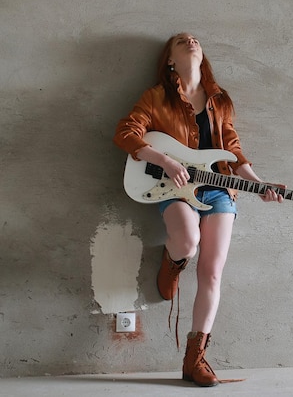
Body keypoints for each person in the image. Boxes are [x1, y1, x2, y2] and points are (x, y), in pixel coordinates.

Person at [113, 32, 283, 387]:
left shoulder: (220, 100)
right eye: (181, 41)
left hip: (220, 189)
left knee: (212, 273)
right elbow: (127, 132)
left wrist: (259, 183)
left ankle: (195, 359)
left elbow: (233, 152)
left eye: (195, 40)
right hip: (172, 185)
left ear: (202, 54)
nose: (191, 41)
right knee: (188, 242)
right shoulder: (157, 96)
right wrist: (164, 161)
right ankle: (172, 261)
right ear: (170, 60)